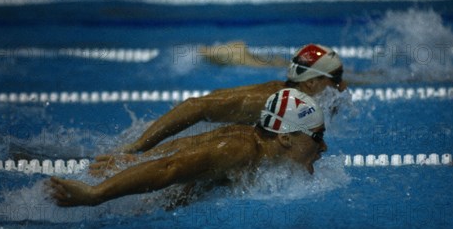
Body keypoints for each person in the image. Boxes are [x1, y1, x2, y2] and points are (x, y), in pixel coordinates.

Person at [49, 89, 327, 207]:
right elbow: (171, 167)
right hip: (139, 205)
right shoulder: (240, 149)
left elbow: (184, 147)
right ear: (286, 137)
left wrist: (132, 161)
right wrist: (95, 194)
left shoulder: (251, 142)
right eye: (316, 137)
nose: (323, 146)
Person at [118, 43, 346, 154]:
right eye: (336, 78)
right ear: (311, 83)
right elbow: (195, 106)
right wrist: (139, 146)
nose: (342, 85)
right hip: (172, 136)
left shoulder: (297, 101)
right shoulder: (269, 100)